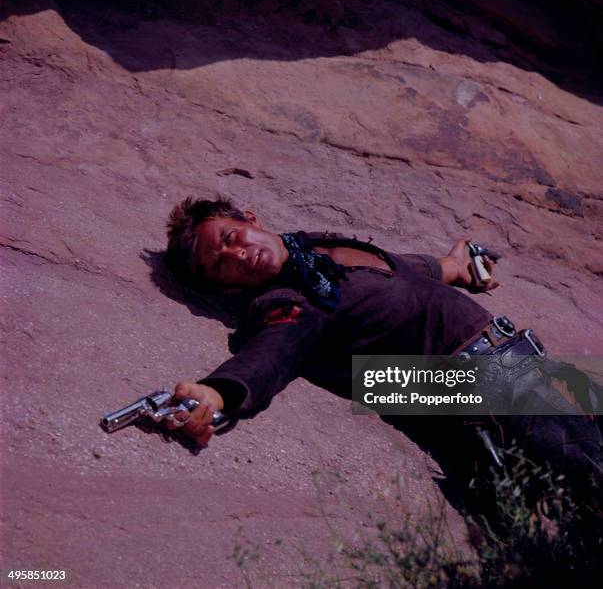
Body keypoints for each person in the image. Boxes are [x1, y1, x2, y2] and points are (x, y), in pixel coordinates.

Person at [162, 196, 602, 498]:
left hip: (524, 367)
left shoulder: (314, 250)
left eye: (230, 238)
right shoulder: (287, 299)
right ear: (224, 287)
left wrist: (452, 266)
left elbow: (399, 272)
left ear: (251, 219)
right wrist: (216, 393)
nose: (237, 256)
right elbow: (273, 350)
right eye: (220, 266)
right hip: (479, 389)